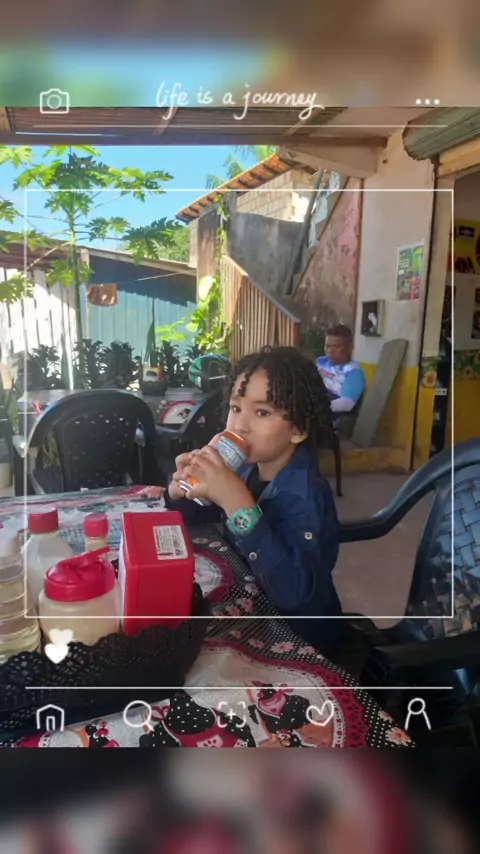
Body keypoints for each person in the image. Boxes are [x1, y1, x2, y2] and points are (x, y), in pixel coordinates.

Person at [164, 346, 343, 653]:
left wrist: (238, 503)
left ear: (298, 429)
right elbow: (199, 518)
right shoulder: (245, 468)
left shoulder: (306, 495)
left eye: (261, 413)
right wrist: (181, 492)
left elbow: (293, 593)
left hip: (298, 639)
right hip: (249, 604)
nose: (239, 425)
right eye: (236, 408)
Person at [316, 324, 366, 415]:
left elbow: (347, 403)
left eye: (336, 347)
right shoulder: (321, 362)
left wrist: (316, 408)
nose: (330, 351)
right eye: (327, 346)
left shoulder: (354, 372)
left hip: (331, 415)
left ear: (350, 347)